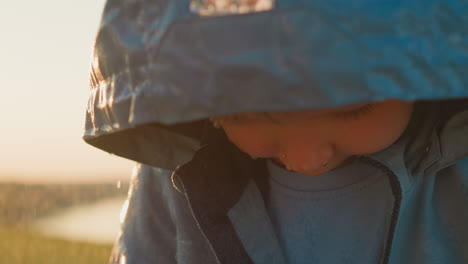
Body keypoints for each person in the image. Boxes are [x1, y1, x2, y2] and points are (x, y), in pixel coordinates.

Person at [83, 1, 468, 263]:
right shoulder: (177, 171)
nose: (305, 156)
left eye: (353, 109)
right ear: (205, 100)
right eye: (247, 115)